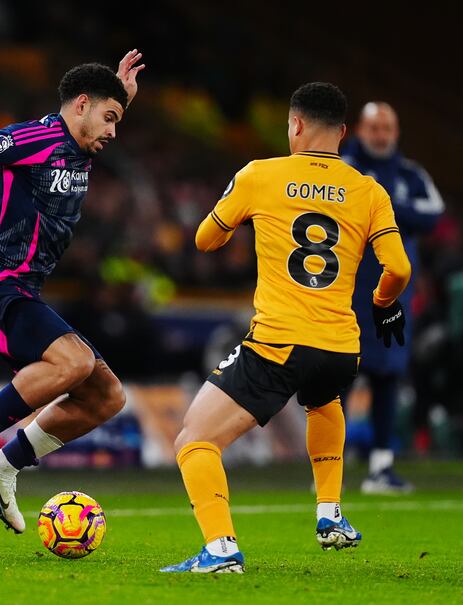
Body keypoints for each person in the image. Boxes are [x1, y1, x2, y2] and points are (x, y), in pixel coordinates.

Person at [160, 82, 411, 574]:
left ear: (294, 124)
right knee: (323, 401)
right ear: (342, 132)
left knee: (193, 440)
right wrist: (383, 301)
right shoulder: (369, 190)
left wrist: (242, 217)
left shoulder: (260, 174)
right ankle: (330, 514)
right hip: (341, 346)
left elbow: (205, 239)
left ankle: (221, 548)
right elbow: (398, 268)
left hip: (279, 340)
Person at [0, 51, 145, 533]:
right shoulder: (36, 138)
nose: (114, 131)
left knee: (106, 397)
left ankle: (5, 464)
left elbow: (97, 119)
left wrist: (119, 98)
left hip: (25, 291)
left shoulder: (81, 143)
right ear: (80, 104)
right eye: (109, 117)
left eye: (117, 120)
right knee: (74, 363)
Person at [341, 102, 444, 493]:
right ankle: (329, 469)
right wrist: (396, 212)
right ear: (358, 130)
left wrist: (379, 204)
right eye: (374, 128)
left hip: (393, 297)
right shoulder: (343, 168)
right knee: (339, 377)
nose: (381, 135)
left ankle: (381, 468)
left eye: (387, 128)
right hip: (347, 293)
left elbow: (434, 214)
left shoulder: (409, 174)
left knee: (387, 377)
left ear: (396, 132)